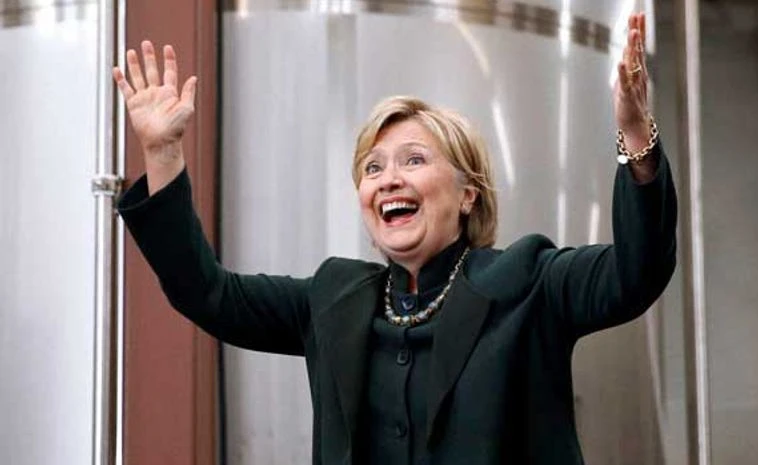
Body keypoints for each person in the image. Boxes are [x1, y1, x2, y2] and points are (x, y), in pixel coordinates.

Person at [114, 12, 676, 465]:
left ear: (468, 194)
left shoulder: (530, 280)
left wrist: (635, 138)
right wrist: (162, 155)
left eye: (414, 160)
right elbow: (208, 293)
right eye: (373, 167)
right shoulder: (334, 296)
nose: (389, 180)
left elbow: (637, 272)